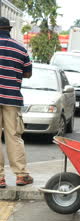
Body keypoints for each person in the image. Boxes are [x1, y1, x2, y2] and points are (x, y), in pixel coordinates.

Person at [0, 17, 34, 188]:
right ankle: (21, 175)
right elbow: (28, 73)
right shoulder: (20, 49)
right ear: (9, 29)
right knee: (13, 136)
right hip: (11, 98)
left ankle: (0, 178)